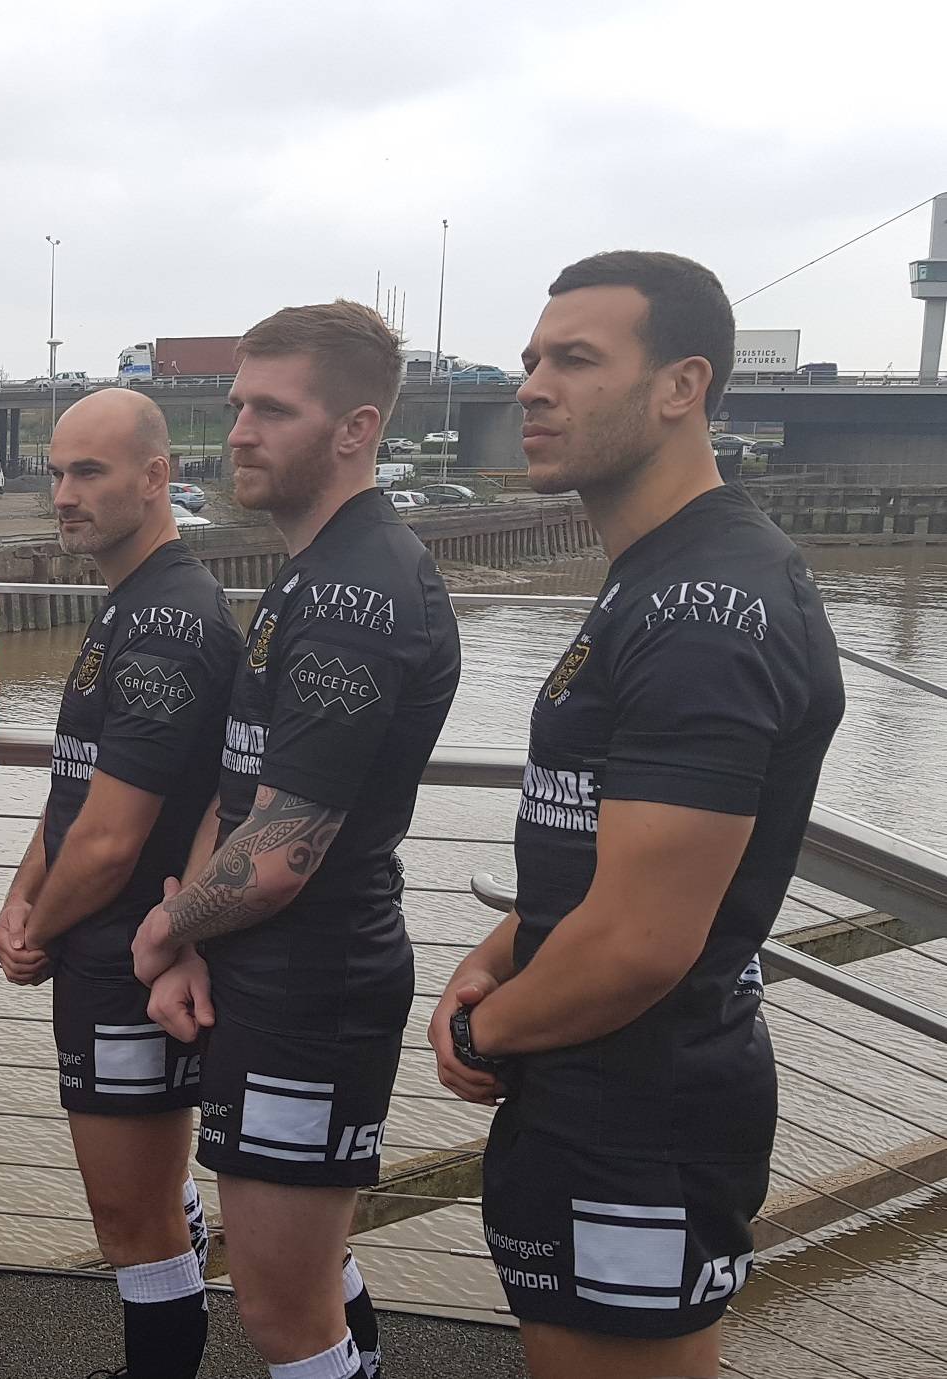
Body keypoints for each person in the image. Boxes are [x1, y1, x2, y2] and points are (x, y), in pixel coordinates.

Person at [428, 251, 844, 1379]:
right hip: (592, 1086)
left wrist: (481, 1030)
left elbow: (644, 940)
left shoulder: (709, 609)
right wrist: (503, 948)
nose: (530, 387)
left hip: (640, 1108)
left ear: (681, 385)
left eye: (575, 359)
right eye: (529, 361)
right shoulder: (656, 578)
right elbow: (598, 856)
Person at [136, 302, 461, 1379]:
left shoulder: (358, 590)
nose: (237, 432)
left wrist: (160, 928)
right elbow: (246, 785)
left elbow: (283, 846)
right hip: (267, 975)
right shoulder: (313, 569)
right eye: (236, 405)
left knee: (284, 1310)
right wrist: (192, 936)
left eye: (272, 409)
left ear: (357, 427)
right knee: (297, 1291)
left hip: (313, 988)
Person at [0, 389, 238, 1379]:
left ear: (154, 476)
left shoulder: (170, 620)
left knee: (131, 1215)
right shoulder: (132, 602)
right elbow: (78, 785)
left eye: (88, 472)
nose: (63, 494)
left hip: (132, 948)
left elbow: (111, 836)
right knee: (150, 1201)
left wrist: (37, 928)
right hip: (107, 941)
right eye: (55, 472)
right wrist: (20, 895)